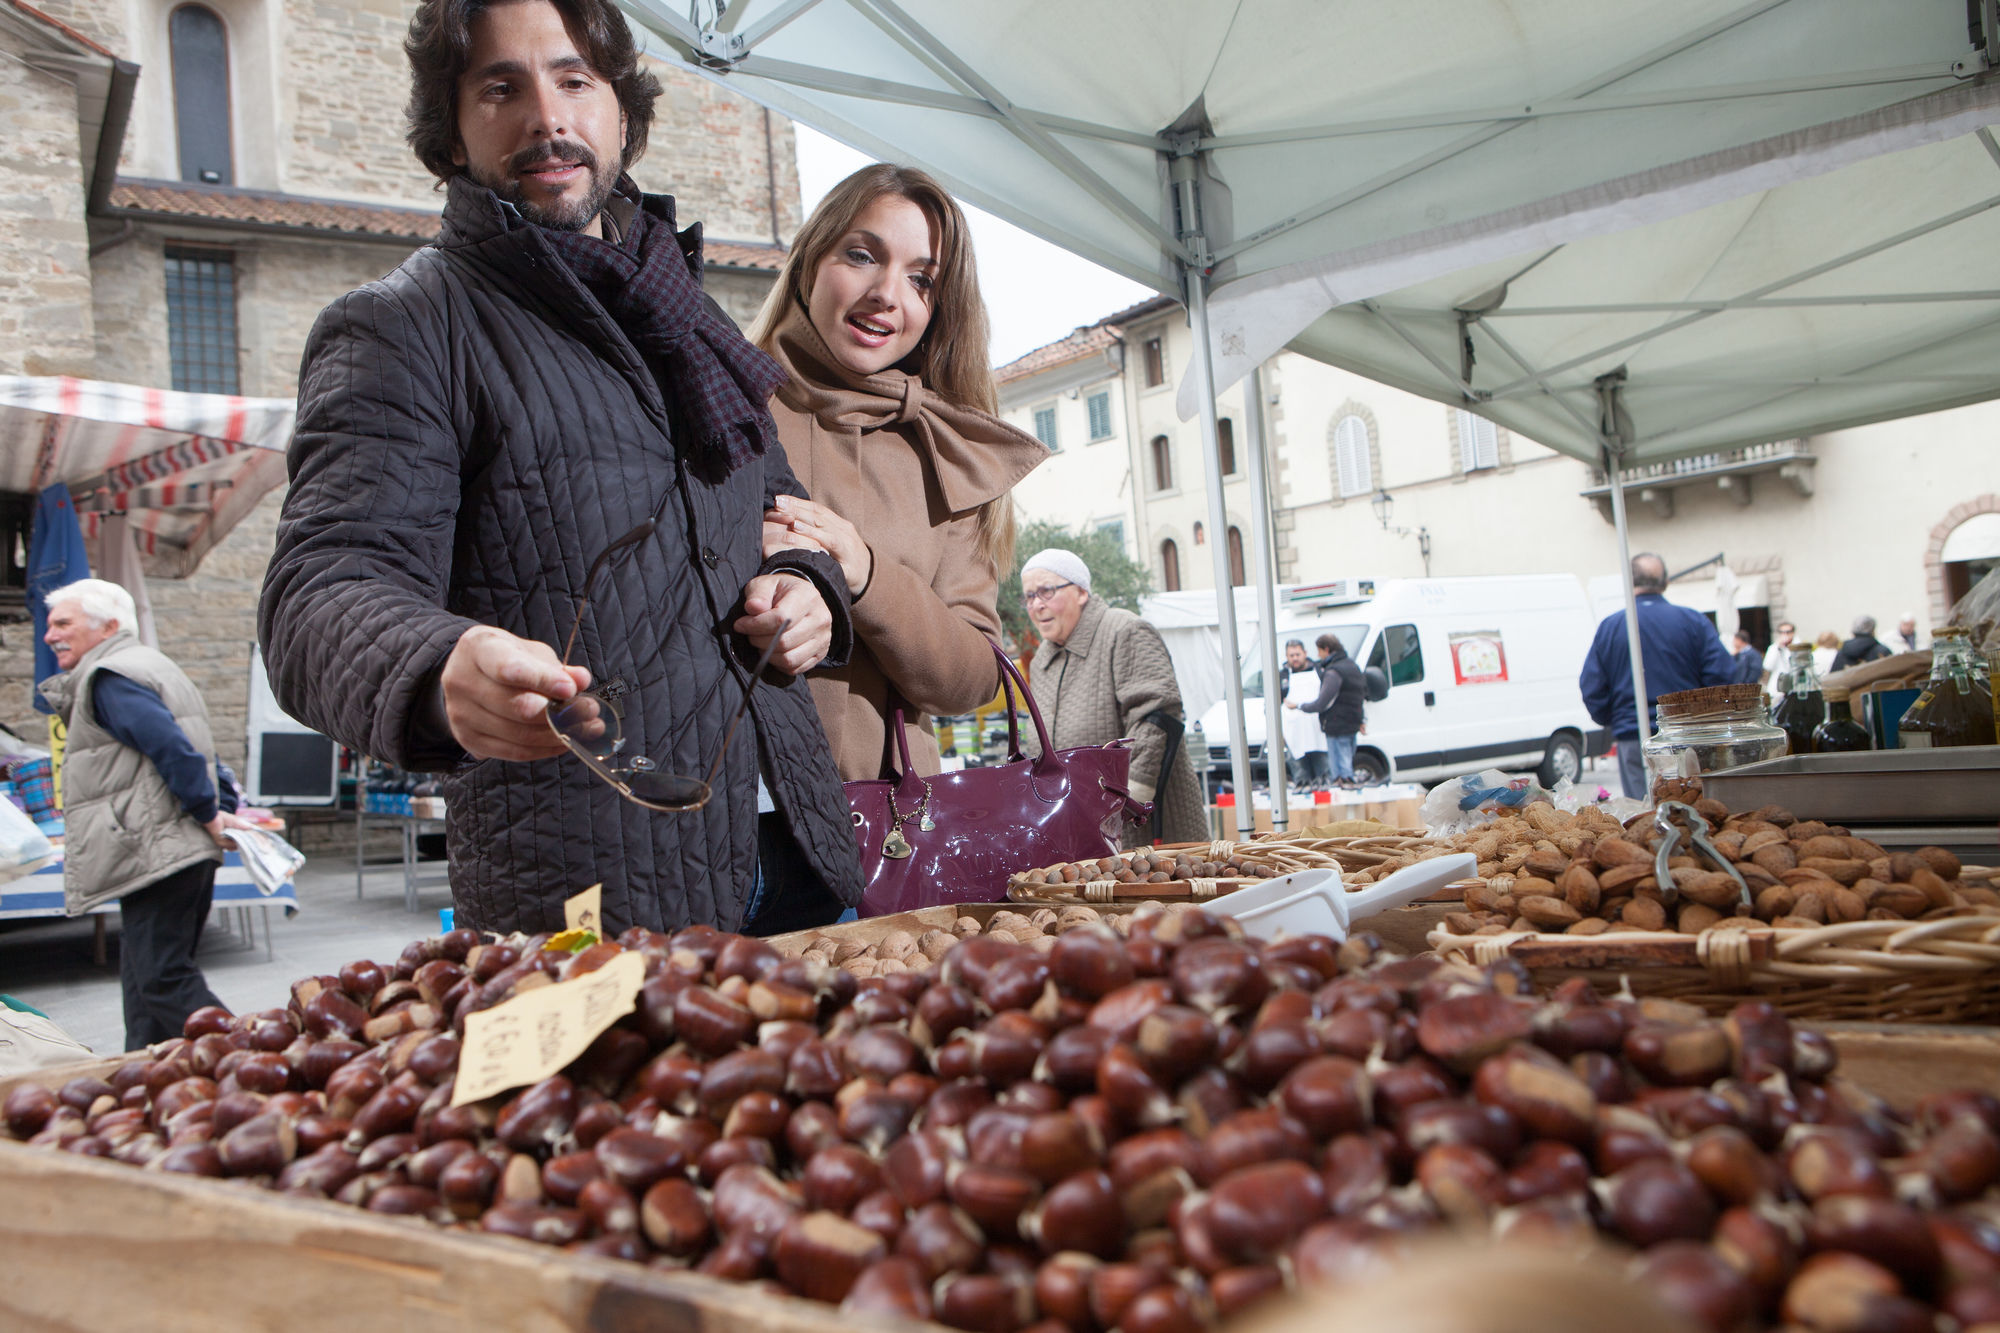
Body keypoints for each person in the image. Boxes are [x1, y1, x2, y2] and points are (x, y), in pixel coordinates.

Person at [258, 0, 863, 937]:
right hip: (596, 886)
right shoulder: (404, 326)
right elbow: (315, 590)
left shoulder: (685, 311)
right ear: (451, 133)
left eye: (575, 79)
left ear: (621, 112)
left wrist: (808, 583)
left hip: (800, 846)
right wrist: (435, 662)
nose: (548, 115)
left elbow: (782, 507)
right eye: (502, 87)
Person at [752, 165, 1047, 783]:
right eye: (862, 255)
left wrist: (865, 576)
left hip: (887, 837)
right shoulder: (720, 402)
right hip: (721, 827)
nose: (889, 293)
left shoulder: (946, 450)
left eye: (921, 280)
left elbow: (976, 678)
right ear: (809, 261)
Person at [37, 580, 254, 1050]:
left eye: (63, 623)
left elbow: (173, 749)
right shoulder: (150, 666)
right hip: (167, 850)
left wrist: (208, 813)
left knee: (162, 979)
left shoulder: (111, 677)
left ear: (109, 627)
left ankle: (259, 1056)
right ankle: (143, 1073)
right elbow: (203, 751)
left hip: (159, 851)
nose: (49, 635)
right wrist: (216, 809)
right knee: (143, 987)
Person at [1020, 549, 1206, 847]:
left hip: (1141, 827)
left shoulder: (1125, 630)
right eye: (1029, 597)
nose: (1036, 605)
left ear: (1081, 592)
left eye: (1046, 591)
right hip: (1079, 830)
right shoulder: (1042, 659)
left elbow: (1157, 714)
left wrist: (1127, 801)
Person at [1578, 553, 1736, 799]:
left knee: (1643, 817)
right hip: (1687, 736)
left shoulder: (1611, 627)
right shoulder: (1692, 621)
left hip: (1634, 738)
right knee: (1694, 813)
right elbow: (1723, 676)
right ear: (1665, 582)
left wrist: (1617, 718)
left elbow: (1592, 688)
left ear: (1630, 582)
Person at [1292, 632, 1367, 787]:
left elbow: (1322, 703)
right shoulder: (1352, 666)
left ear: (1326, 649)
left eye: (1319, 651)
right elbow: (1361, 695)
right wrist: (1362, 719)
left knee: (1341, 772)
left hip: (1336, 724)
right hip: (1352, 722)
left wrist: (1300, 705)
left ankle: (1345, 792)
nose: (1318, 656)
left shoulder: (1334, 672)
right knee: (1348, 760)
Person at [1277, 639, 1330, 790]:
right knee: (1300, 774)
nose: (1295, 658)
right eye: (1291, 655)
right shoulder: (1282, 676)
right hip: (1294, 732)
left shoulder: (1319, 671)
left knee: (1324, 770)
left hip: (1318, 731)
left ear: (1305, 653)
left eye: (1297, 654)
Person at [1760, 620, 1797, 695]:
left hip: (1794, 685)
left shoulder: (1797, 646)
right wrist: (1778, 647)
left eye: (1788, 632)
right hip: (1777, 687)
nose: (1785, 635)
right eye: (1782, 632)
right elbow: (1768, 666)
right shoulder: (1774, 647)